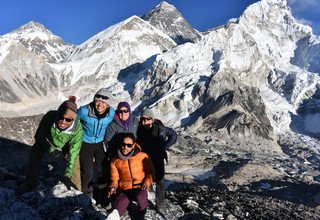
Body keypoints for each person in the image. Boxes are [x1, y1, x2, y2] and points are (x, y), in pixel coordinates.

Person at [18, 96, 83, 193]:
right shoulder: (50, 117)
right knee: (36, 151)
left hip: (66, 144)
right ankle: (31, 183)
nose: (63, 122)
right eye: (61, 117)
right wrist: (50, 149)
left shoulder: (77, 130)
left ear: (73, 120)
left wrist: (67, 174)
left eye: (68, 120)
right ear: (58, 114)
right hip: (49, 142)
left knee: (75, 161)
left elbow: (73, 152)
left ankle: (76, 189)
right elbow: (39, 136)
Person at [136, 108, 177, 211]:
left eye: (148, 119)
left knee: (160, 182)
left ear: (152, 119)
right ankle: (142, 202)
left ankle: (160, 205)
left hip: (158, 157)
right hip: (144, 159)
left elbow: (173, 135)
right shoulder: (138, 129)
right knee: (143, 180)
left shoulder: (160, 128)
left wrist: (165, 146)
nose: (145, 121)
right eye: (143, 119)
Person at [77, 88, 115, 197]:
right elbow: (73, 121)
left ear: (108, 105)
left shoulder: (111, 113)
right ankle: (87, 196)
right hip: (85, 143)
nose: (100, 105)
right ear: (94, 100)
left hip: (100, 143)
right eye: (98, 101)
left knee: (102, 169)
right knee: (87, 171)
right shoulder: (84, 111)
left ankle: (102, 194)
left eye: (104, 102)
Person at [107, 133, 154, 219]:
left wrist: (147, 183)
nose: (125, 147)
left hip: (140, 187)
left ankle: (141, 214)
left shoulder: (142, 156)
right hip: (125, 189)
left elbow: (151, 172)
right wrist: (113, 186)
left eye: (129, 145)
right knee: (117, 209)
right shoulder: (115, 160)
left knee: (141, 197)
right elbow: (114, 178)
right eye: (123, 144)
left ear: (134, 145)